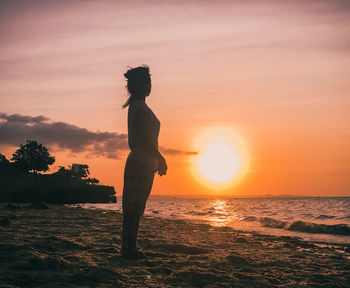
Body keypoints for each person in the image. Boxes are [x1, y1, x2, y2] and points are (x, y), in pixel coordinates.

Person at [121, 65, 167, 259]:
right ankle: (128, 248)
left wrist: (156, 159)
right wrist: (160, 157)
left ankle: (129, 246)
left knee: (136, 207)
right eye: (149, 83)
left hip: (144, 163)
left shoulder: (139, 106)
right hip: (141, 161)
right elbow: (144, 137)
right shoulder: (139, 107)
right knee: (134, 207)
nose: (151, 87)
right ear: (144, 85)